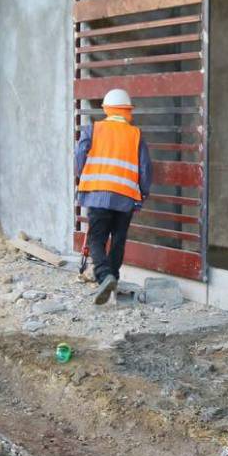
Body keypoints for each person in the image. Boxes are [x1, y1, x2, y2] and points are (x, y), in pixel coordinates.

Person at [75, 88, 152, 304]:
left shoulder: (94, 129)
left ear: (106, 109)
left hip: (98, 194)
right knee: (118, 240)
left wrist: (83, 176)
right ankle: (113, 279)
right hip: (126, 198)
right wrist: (142, 194)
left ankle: (104, 275)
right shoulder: (136, 135)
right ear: (128, 111)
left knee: (96, 239)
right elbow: (145, 168)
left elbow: (80, 153)